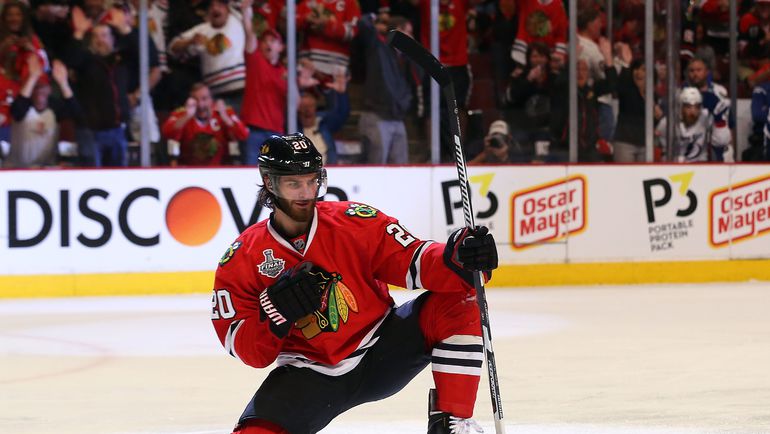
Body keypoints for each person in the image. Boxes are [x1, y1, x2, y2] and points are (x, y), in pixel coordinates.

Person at [211, 133, 498, 434]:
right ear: (269, 182)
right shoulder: (241, 258)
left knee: (461, 299)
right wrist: (275, 313)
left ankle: (452, 423)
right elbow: (248, 351)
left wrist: (460, 259)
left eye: (312, 181)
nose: (306, 193)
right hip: (308, 374)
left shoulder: (356, 222)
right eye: (294, 183)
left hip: (381, 350)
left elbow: (417, 261)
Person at [240, 0, 287, 165]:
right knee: (252, 175)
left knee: (275, 176)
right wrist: (246, 11)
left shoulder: (285, 73)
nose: (268, 43)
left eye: (273, 40)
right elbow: (249, 33)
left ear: (281, 47)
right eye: (265, 40)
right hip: (255, 131)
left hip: (276, 133)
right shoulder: (256, 60)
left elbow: (295, 104)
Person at [161, 82, 248, 166]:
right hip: (189, 170)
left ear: (211, 100)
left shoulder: (224, 113)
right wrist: (187, 116)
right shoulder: (182, 114)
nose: (200, 105)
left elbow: (243, 134)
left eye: (204, 99)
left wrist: (225, 118)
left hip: (219, 170)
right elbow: (166, 133)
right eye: (196, 100)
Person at [656, 87, 733, 163]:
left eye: (697, 107)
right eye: (688, 107)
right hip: (673, 166)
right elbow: (658, 145)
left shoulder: (706, 117)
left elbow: (722, 142)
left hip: (700, 165)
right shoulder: (667, 122)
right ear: (681, 107)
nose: (693, 112)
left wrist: (719, 120)